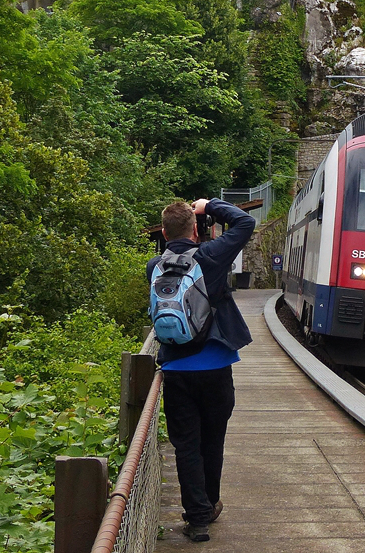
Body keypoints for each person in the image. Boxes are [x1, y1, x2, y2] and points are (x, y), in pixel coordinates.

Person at [147, 197, 254, 543]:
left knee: (187, 446)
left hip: (176, 368)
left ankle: (198, 520)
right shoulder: (209, 257)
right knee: (213, 441)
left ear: (163, 233)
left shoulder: (153, 267)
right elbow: (244, 224)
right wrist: (210, 206)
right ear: (195, 229)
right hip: (217, 366)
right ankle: (208, 504)